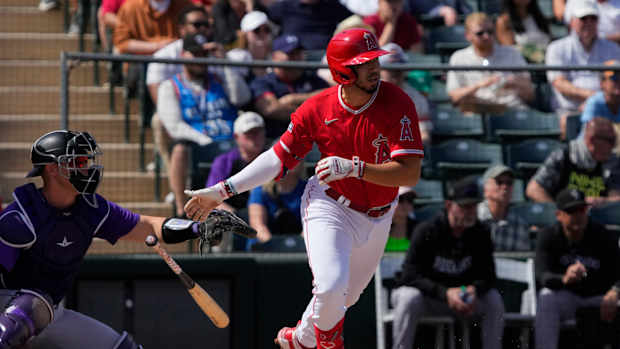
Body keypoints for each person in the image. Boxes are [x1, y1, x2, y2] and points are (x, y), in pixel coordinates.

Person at [183, 28, 424, 349]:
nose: (374, 68)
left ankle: (300, 338)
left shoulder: (397, 101)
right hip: (331, 204)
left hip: (380, 214)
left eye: (374, 60)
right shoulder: (317, 108)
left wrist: (356, 168)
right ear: (342, 71)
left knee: (344, 299)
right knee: (330, 288)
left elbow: (409, 174)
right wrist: (223, 190)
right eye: (364, 63)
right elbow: (277, 158)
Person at [0, 130, 210, 349]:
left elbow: (147, 226)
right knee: (27, 309)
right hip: (9, 307)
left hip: (50, 311)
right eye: (79, 161)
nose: (87, 168)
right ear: (52, 169)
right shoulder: (20, 217)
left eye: (87, 161)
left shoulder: (92, 209)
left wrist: (198, 228)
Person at [391, 175, 504, 349]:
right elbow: (409, 275)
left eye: (473, 206)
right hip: (430, 298)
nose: (470, 211)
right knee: (408, 297)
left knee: (493, 299)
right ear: (449, 205)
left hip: (465, 299)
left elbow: (489, 275)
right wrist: (445, 293)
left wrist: (474, 289)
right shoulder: (428, 230)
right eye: (464, 206)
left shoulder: (481, 232)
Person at [156, 32, 251, 217]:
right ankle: (181, 208)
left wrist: (224, 62)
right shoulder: (170, 86)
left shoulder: (220, 78)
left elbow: (242, 98)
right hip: (200, 146)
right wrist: (206, 141)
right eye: (195, 53)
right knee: (179, 149)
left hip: (233, 143)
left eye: (203, 54)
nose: (200, 59)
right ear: (183, 55)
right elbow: (175, 127)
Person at [535, 188, 620, 349]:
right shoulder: (548, 236)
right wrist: (564, 279)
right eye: (571, 211)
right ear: (558, 215)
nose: (578, 215)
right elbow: (542, 275)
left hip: (598, 299)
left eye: (582, 210)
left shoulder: (602, 235)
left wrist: (615, 291)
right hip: (567, 297)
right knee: (547, 297)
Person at [546, 1, 620, 137]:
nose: (589, 22)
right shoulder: (556, 48)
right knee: (567, 124)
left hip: (607, 110)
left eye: (593, 18)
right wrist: (594, 97)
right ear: (572, 22)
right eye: (583, 18)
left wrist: (597, 100)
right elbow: (559, 83)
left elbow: (616, 80)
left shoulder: (612, 48)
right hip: (569, 111)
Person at [447, 12, 534, 114]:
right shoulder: (458, 57)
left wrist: (514, 81)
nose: (486, 36)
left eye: (490, 32)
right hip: (477, 111)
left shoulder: (512, 53)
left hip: (511, 109)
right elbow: (454, 97)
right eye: (480, 33)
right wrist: (479, 85)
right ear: (468, 35)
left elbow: (530, 94)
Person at [205, 111, 267, 251]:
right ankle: (221, 265)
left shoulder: (272, 160)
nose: (254, 138)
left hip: (265, 214)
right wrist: (233, 214)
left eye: (258, 132)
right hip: (235, 213)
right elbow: (210, 197)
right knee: (219, 219)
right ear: (237, 137)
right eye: (249, 133)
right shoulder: (224, 162)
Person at [526, 117, 620, 205]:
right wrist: (559, 213)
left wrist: (604, 202)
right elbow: (534, 189)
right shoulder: (564, 156)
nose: (614, 145)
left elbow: (616, 197)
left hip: (597, 219)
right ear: (592, 140)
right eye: (610, 140)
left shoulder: (611, 162)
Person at [250, 34, 328, 137]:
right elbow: (271, 109)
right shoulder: (263, 82)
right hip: (277, 140)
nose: (295, 58)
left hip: (312, 139)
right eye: (290, 53)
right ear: (274, 57)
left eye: (298, 53)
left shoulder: (312, 79)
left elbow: (330, 97)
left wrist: (293, 99)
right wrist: (313, 110)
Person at [378, 42, 431, 144]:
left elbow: (424, 134)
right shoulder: (367, 93)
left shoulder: (416, 97)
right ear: (379, 70)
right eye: (390, 68)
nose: (395, 72)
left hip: (403, 149)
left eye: (399, 69)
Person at [248, 162, 306, 244]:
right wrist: (276, 246)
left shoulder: (309, 190)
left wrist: (297, 246)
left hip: (300, 249)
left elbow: (311, 227)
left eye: (298, 157)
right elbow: (258, 226)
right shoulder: (260, 191)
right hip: (264, 250)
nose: (293, 160)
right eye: (288, 155)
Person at [478, 164, 531, 251]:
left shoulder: (519, 225)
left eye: (509, 183)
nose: (505, 187)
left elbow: (521, 261)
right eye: (499, 182)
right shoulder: (474, 217)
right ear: (485, 188)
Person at [112, 0, 192, 55]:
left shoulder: (185, 5)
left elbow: (193, 36)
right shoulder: (130, 7)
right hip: (141, 63)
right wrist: (156, 46)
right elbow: (122, 42)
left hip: (176, 61)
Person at [267, 0, 353, 50]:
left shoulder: (332, 5)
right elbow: (261, 16)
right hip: (291, 56)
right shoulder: (284, 6)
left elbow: (355, 20)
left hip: (324, 58)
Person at [226, 10, 275, 81]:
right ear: (245, 35)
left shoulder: (275, 57)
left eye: (267, 29)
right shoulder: (235, 58)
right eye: (256, 30)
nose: (262, 34)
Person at [581, 60, 620, 126]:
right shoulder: (595, 102)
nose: (619, 81)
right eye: (614, 78)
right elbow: (591, 134)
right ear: (602, 83)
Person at [384, 186, 417, 252]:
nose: (405, 204)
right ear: (390, 202)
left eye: (410, 200)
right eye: (400, 199)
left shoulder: (418, 228)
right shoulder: (379, 227)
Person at [406, 0, 472, 27]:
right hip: (428, 30)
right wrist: (440, 10)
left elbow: (467, 12)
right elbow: (418, 7)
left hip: (454, 28)